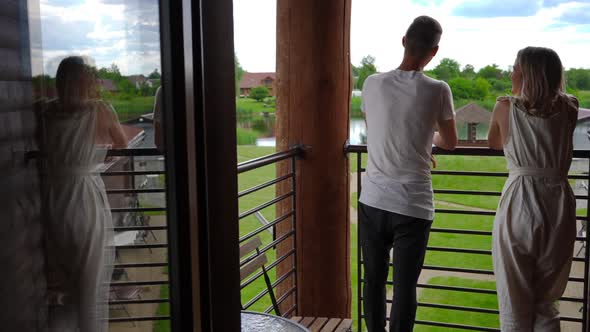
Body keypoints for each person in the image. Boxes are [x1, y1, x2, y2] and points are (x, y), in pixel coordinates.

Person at [359, 16, 457, 332]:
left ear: (404, 41)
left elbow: (381, 127)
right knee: (404, 289)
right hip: (413, 205)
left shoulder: (372, 83)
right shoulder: (438, 89)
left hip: (372, 200)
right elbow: (450, 142)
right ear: (434, 52)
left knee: (373, 279)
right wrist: (429, 144)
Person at [488, 47, 578, 331]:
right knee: (547, 300)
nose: (510, 72)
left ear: (525, 74)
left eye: (514, 67)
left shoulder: (506, 107)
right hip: (559, 202)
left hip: (521, 200)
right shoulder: (570, 107)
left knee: (514, 294)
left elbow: (494, 143)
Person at [39, 56, 127, 332]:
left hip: (52, 196)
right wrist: (94, 165)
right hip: (84, 196)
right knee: (89, 277)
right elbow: (122, 147)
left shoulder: (44, 111)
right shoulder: (100, 110)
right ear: (85, 81)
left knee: (62, 282)